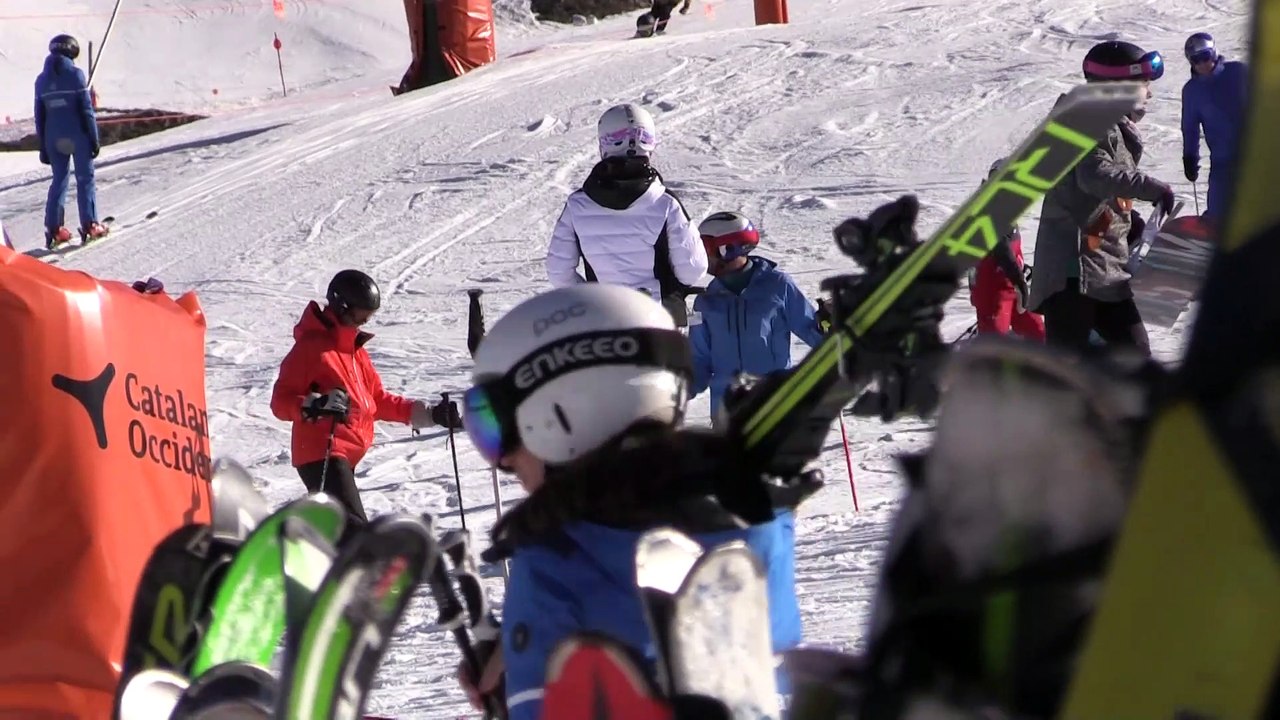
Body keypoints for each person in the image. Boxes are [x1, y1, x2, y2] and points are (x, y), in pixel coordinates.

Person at [454, 283, 805, 720]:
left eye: (495, 426)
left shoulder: (556, 557)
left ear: (561, 410)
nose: (503, 459)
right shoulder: (761, 517)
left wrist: (524, 676)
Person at [269, 269, 462, 525]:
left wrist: (430, 415)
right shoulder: (311, 348)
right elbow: (280, 402)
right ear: (342, 306)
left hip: (344, 456)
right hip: (322, 452)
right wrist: (314, 405)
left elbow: (377, 401)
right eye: (361, 313)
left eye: (369, 315)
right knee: (354, 532)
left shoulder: (355, 353)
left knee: (341, 534)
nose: (365, 321)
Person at [1026, 40, 1176, 356]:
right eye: (1144, 83)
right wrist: (1152, 188)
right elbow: (1094, 176)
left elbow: (1092, 193)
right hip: (1073, 270)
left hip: (1102, 267)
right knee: (1066, 371)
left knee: (1136, 357)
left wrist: (1126, 220)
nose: (1149, 93)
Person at [545, 103, 708, 325]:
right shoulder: (665, 203)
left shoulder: (577, 205)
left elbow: (558, 272)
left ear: (604, 144)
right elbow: (693, 268)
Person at [688, 211, 827, 421]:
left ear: (730, 248)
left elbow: (813, 332)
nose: (703, 257)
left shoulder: (778, 286)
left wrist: (830, 327)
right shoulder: (705, 302)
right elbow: (699, 361)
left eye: (706, 248)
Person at [34, 34, 108, 249]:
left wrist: (43, 145)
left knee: (59, 180)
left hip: (53, 138)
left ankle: (55, 229)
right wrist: (94, 139)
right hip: (77, 136)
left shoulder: (41, 80)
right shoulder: (76, 75)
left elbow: (40, 114)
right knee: (85, 179)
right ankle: (90, 224)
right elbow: (87, 111)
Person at [969, 159, 1045, 342]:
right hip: (993, 291)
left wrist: (1023, 269)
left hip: (1012, 285)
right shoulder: (987, 209)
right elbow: (1000, 248)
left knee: (1036, 331)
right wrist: (1019, 279)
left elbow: (1010, 251)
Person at [1180, 32, 1248, 225]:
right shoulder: (1192, 91)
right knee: (1218, 206)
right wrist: (1190, 157)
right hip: (1222, 159)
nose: (1202, 64)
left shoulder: (1238, 72)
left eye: (1206, 56)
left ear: (1214, 52)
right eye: (1196, 60)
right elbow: (1190, 128)